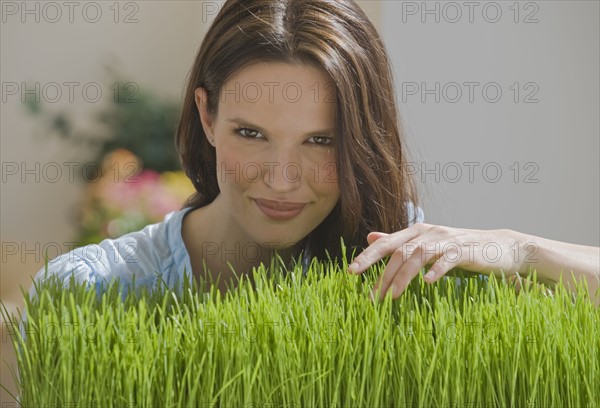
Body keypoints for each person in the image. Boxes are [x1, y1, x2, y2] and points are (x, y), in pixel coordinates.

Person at [30, 0, 599, 305]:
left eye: (320, 141)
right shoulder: (90, 288)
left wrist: (518, 248)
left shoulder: (401, 261)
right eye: (251, 134)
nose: (282, 179)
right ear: (206, 115)